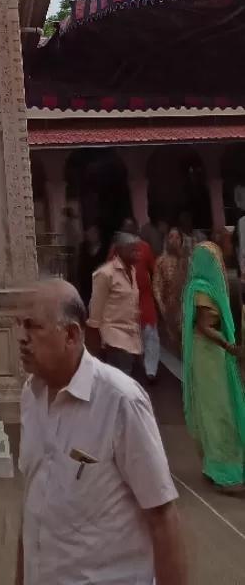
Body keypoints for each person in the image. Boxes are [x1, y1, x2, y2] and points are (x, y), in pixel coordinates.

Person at [16, 279, 187, 585]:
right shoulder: (31, 395)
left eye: (33, 327)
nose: (22, 338)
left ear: (71, 335)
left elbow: (162, 517)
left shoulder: (121, 401)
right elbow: (32, 508)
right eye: (21, 326)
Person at [182, 240, 245, 492]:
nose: (220, 264)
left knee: (216, 408)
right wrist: (231, 347)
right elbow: (204, 326)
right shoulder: (202, 290)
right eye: (216, 259)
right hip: (209, 355)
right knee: (217, 410)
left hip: (211, 353)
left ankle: (215, 464)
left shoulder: (205, 287)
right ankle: (223, 472)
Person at [87, 230, 141, 376]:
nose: (137, 252)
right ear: (120, 250)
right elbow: (96, 308)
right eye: (132, 248)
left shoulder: (133, 272)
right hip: (114, 337)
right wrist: (94, 339)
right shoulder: (105, 273)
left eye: (137, 249)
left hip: (132, 337)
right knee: (121, 381)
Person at [122, 217, 160, 382]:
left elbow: (154, 270)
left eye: (132, 228)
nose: (130, 232)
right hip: (124, 300)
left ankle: (151, 371)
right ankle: (131, 367)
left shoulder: (145, 247)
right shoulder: (117, 249)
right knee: (128, 335)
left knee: (150, 334)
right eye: (127, 229)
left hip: (145, 299)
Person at [153, 227, 187, 352]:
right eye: (171, 237)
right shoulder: (161, 261)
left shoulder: (187, 259)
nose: (174, 240)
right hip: (169, 310)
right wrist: (163, 309)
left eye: (177, 237)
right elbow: (157, 287)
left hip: (186, 308)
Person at [75, 223, 106, 311]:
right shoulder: (83, 248)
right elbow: (79, 267)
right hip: (87, 287)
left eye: (93, 232)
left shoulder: (105, 249)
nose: (91, 235)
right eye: (89, 233)